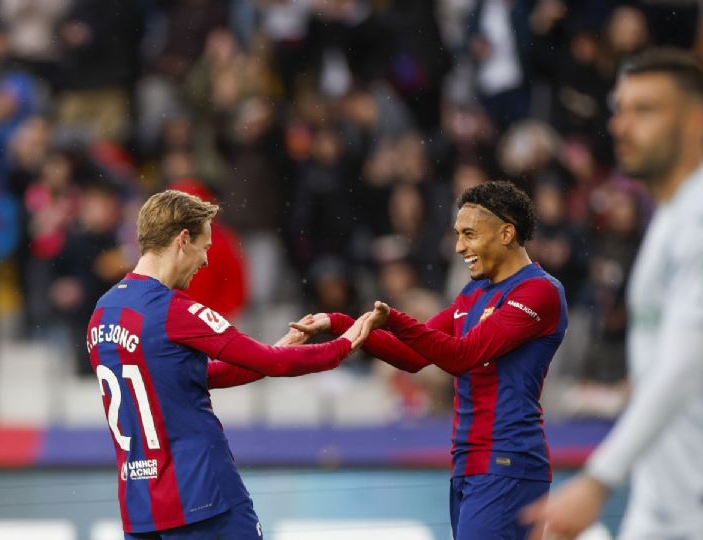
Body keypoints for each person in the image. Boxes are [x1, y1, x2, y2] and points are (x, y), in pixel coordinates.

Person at [522, 48, 703, 539]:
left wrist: (597, 478)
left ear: (695, 123)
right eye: (619, 109)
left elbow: (685, 366)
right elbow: (662, 369)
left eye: (643, 110)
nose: (621, 126)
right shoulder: (671, 219)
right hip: (669, 503)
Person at [86, 189, 373, 539]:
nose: (206, 261)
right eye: (205, 247)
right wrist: (344, 345)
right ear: (183, 239)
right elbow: (273, 364)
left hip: (141, 506)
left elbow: (183, 378)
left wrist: (273, 353)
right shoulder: (173, 310)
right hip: (202, 497)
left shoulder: (103, 313)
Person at [293, 180, 568, 540]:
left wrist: (393, 317)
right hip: (470, 463)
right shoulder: (473, 293)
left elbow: (464, 356)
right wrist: (341, 323)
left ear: (506, 233)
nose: (459, 247)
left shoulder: (539, 291)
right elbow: (411, 356)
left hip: (507, 461)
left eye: (469, 234)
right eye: (457, 234)